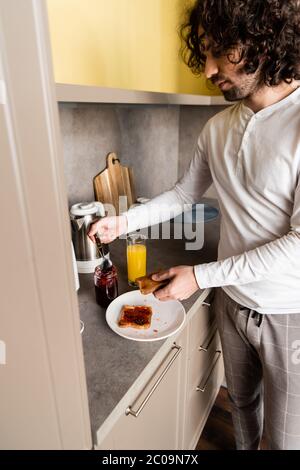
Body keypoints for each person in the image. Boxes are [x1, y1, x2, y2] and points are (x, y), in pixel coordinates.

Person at [88, 0, 300, 450]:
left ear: (262, 39)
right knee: (242, 406)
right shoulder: (217, 128)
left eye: (219, 50)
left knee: (287, 439)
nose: (207, 70)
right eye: (202, 52)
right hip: (231, 300)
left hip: (290, 310)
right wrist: (122, 221)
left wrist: (200, 276)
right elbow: (184, 195)